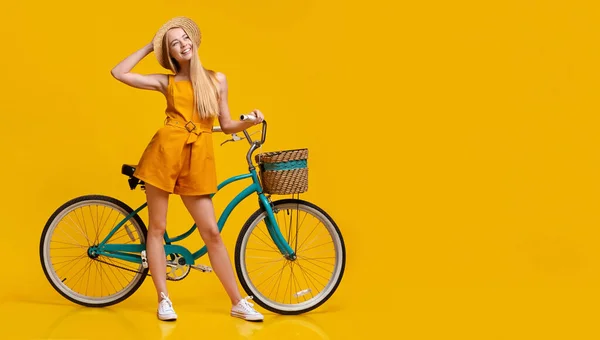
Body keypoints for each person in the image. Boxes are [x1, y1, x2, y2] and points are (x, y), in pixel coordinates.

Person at [110, 16, 265, 322]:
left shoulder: (216, 79)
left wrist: (250, 121)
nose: (182, 45)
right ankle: (164, 298)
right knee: (156, 227)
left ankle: (237, 301)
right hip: (165, 152)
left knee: (212, 233)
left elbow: (228, 122)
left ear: (193, 42)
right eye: (174, 44)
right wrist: (150, 44)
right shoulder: (166, 81)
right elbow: (119, 72)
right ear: (170, 54)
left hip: (199, 155)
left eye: (184, 39)